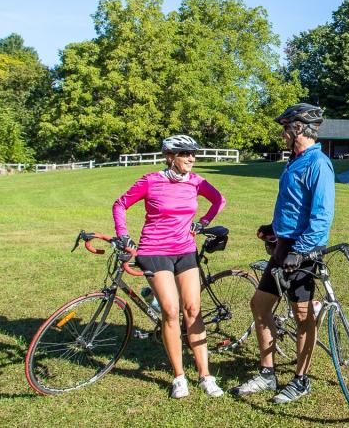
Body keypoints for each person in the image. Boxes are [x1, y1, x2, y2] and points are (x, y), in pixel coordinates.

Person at [232, 103, 335, 404]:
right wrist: (274, 228)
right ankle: (267, 374)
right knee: (259, 305)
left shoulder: (318, 164)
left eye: (286, 128)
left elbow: (322, 215)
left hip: (302, 251)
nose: (283, 134)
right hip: (283, 247)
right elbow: (293, 205)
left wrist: (300, 250)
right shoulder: (295, 161)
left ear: (300, 128)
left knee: (302, 316)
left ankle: (301, 381)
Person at [113, 134, 227, 399]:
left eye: (193, 154)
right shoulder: (150, 181)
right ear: (170, 156)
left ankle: (205, 375)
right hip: (154, 250)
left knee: (193, 309)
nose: (191, 158)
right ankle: (179, 377)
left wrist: (202, 223)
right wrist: (123, 235)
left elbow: (219, 200)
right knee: (171, 310)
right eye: (185, 154)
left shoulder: (196, 181)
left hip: (185, 249)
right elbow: (120, 204)